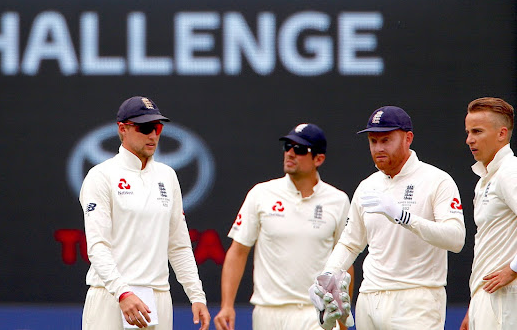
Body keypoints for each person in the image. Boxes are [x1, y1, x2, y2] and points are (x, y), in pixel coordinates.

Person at [315, 105, 465, 330]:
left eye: (386, 140)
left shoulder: (437, 180)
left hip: (417, 300)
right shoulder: (368, 186)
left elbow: (455, 239)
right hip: (370, 298)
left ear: (408, 138)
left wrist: (402, 216)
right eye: (373, 142)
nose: (378, 148)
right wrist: (329, 274)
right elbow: (350, 242)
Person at [79, 95, 210, 330]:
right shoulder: (101, 176)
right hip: (111, 296)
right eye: (145, 127)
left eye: (157, 128)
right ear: (123, 129)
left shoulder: (168, 176)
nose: (153, 135)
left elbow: (178, 244)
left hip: (156, 296)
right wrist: (122, 292)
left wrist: (196, 295)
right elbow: (97, 246)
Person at [213, 123, 352, 330]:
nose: (290, 153)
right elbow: (238, 252)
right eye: (288, 146)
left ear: (319, 159)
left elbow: (344, 261)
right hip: (268, 312)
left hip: (316, 313)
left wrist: (341, 316)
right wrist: (226, 306)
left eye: (300, 149)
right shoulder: (261, 194)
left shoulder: (338, 200)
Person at [459, 97, 517, 330]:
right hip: (488, 298)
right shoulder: (486, 178)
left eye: (477, 131)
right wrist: (475, 304)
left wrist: (513, 269)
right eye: (468, 132)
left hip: (505, 298)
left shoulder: (510, 172)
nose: (469, 140)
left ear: (501, 134)